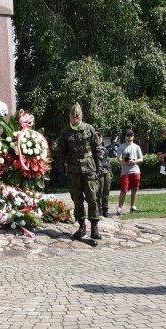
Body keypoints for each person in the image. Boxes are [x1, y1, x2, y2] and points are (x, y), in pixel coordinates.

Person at [55, 103, 104, 241]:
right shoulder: (65, 132)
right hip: (73, 170)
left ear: (81, 116)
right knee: (77, 199)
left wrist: (99, 165)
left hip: (89, 168)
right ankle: (81, 226)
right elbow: (61, 153)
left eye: (78, 117)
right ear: (69, 117)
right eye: (73, 117)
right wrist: (60, 171)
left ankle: (94, 227)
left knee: (92, 197)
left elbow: (97, 147)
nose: (76, 119)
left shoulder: (89, 128)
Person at [116, 129, 143, 215]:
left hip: (135, 170)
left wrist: (134, 161)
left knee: (134, 189)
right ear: (125, 137)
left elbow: (141, 159)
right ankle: (120, 208)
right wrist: (125, 161)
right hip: (125, 172)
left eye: (131, 135)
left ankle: (133, 207)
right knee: (124, 190)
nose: (129, 137)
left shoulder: (137, 147)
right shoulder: (121, 146)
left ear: (133, 136)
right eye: (128, 135)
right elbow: (119, 159)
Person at [96, 140, 113, 217]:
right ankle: (99, 210)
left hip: (107, 171)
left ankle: (105, 209)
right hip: (99, 171)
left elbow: (107, 159)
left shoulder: (105, 147)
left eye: (100, 136)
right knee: (99, 191)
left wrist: (111, 171)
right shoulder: (94, 148)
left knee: (106, 191)